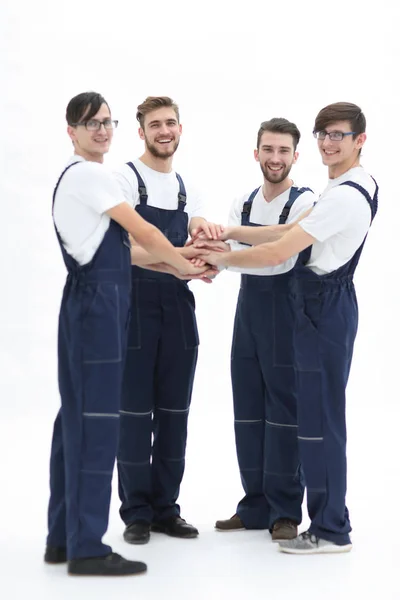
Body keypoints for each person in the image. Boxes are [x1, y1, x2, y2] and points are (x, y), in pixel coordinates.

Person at [199, 102, 378, 554]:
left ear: (359, 140)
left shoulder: (340, 196)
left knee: (317, 423)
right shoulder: (350, 185)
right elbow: (278, 236)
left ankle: (330, 528)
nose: (327, 142)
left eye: (338, 134)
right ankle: (315, 519)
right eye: (323, 133)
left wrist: (217, 259)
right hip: (318, 306)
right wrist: (225, 234)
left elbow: (278, 253)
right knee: (313, 420)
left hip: (320, 307)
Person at [45, 91, 207, 576]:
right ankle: (89, 548)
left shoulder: (77, 177)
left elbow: (134, 249)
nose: (101, 130)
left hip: (92, 301)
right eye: (89, 123)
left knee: (72, 423)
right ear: (70, 131)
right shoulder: (94, 175)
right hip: (99, 305)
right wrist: (188, 268)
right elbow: (148, 235)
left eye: (105, 121)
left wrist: (178, 268)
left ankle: (63, 538)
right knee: (97, 425)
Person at [195, 118, 315, 540]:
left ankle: (285, 510)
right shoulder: (242, 201)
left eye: (284, 151)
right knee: (247, 408)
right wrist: (207, 246)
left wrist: (228, 253)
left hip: (286, 312)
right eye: (269, 149)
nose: (276, 158)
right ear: (256, 153)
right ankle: (255, 506)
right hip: (247, 312)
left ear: (296, 156)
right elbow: (226, 249)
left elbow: (279, 258)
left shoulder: (306, 202)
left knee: (284, 412)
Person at [113, 96, 220, 545]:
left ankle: (166, 509)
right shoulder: (124, 179)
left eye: (170, 123)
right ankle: (136, 511)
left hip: (178, 310)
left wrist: (208, 246)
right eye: (154, 124)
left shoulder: (185, 187)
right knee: (135, 415)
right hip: (134, 309)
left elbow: (199, 229)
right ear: (141, 132)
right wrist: (181, 261)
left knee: (175, 415)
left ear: (180, 129)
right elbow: (121, 250)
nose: (164, 131)